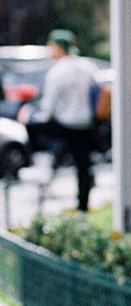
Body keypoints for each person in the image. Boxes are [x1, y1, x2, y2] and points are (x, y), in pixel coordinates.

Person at [20, 29, 97, 211]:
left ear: (59, 48)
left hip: (65, 125)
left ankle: (40, 163)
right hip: (86, 124)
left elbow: (48, 109)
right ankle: (82, 206)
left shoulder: (57, 72)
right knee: (83, 167)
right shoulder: (87, 67)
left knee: (30, 124)